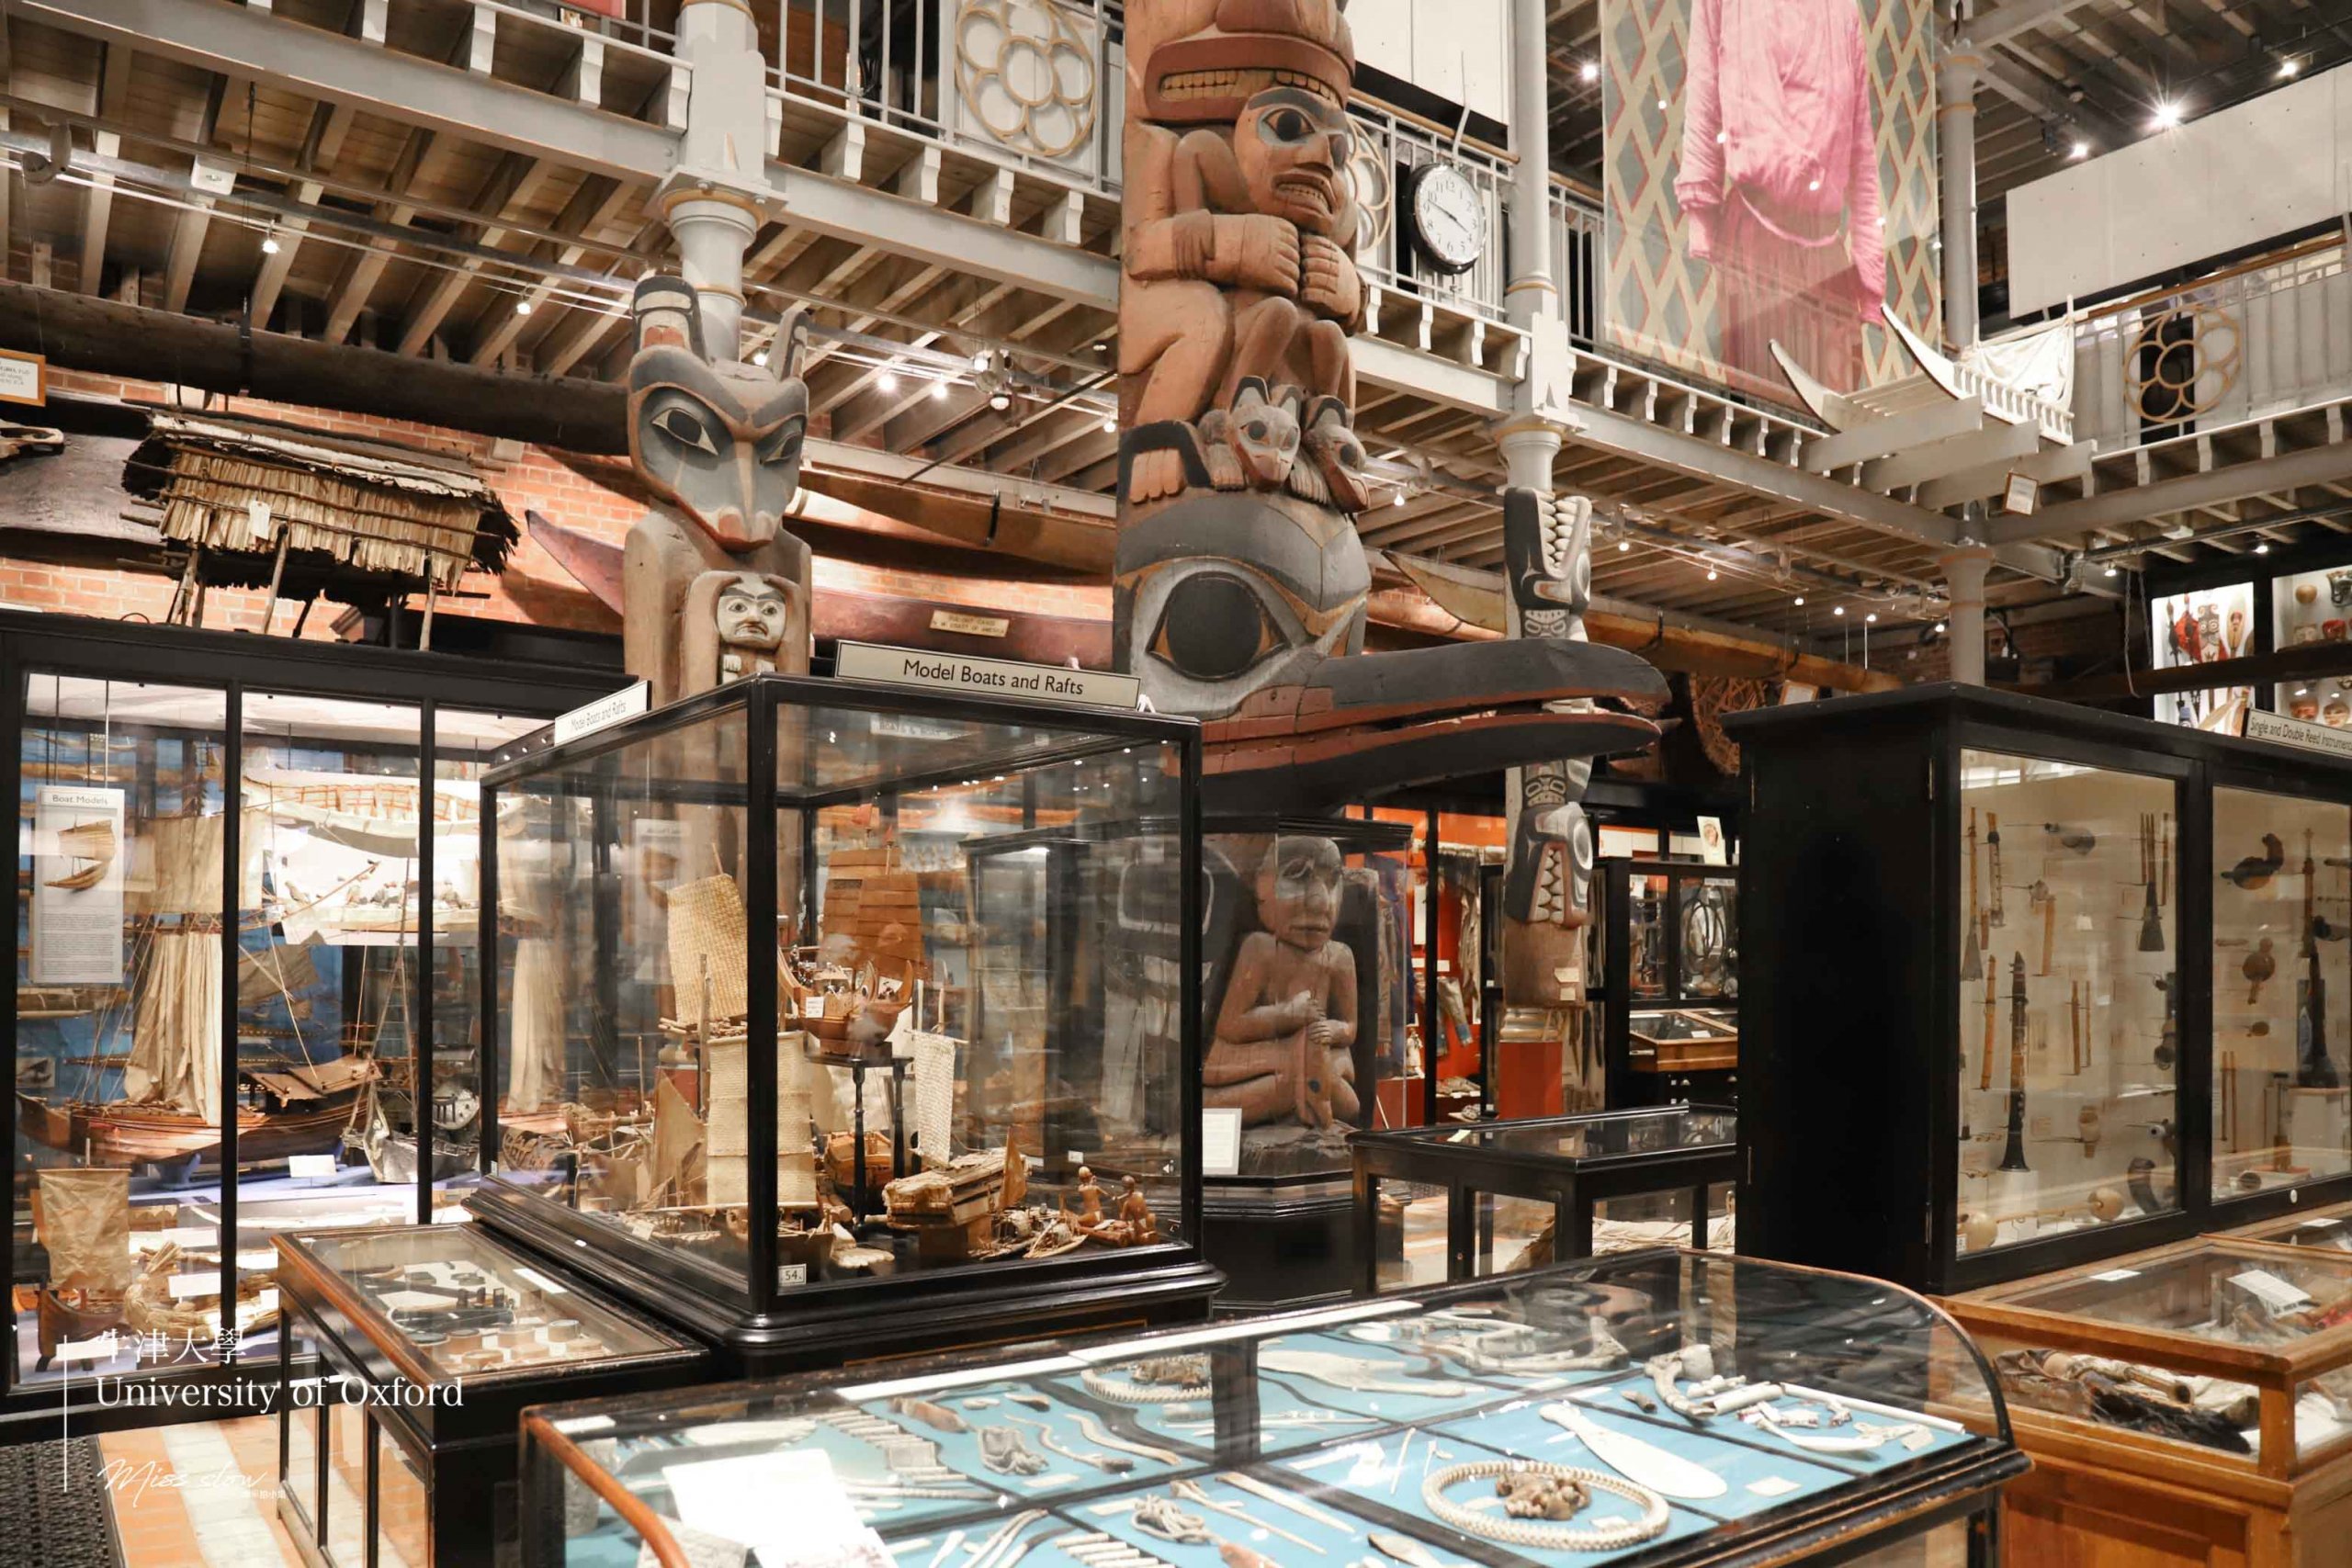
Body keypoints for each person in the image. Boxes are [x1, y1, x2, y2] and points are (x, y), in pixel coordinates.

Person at [1673, 0, 1885, 391]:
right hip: (1754, 236)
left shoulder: (1843, 8)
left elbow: (1860, 138)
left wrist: (1869, 277)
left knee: (1834, 410)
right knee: (1761, 404)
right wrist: (1701, 224)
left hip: (1827, 255)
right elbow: (1704, 90)